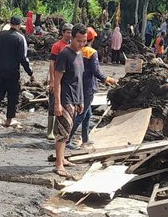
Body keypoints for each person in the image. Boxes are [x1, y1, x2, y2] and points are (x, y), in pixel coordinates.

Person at [68, 26, 117, 148]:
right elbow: (96, 71)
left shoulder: (76, 50)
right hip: (88, 87)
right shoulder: (91, 52)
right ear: (92, 39)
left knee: (88, 113)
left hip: (78, 85)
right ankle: (67, 139)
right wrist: (108, 79)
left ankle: (85, 139)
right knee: (81, 114)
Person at [0, 15, 34, 128]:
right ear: (19, 25)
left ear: (10, 24)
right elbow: (23, 58)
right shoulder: (20, 38)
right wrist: (30, 73)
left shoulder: (1, 35)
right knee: (13, 95)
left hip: (1, 69)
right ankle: (9, 120)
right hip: (12, 71)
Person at [53, 23, 87, 176]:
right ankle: (59, 164)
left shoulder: (80, 55)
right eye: (78, 41)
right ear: (71, 38)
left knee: (68, 130)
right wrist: (57, 103)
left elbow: (79, 79)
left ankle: (62, 159)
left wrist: (80, 100)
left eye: (84, 41)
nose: (81, 44)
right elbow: (57, 80)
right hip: (65, 98)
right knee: (62, 131)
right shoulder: (64, 54)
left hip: (75, 98)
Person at [47, 22, 72, 139]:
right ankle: (50, 131)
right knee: (53, 104)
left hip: (67, 79)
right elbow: (52, 63)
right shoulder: (57, 46)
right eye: (68, 32)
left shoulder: (72, 46)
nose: (70, 35)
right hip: (57, 77)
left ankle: (60, 128)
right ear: (63, 33)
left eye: (71, 33)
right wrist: (52, 80)